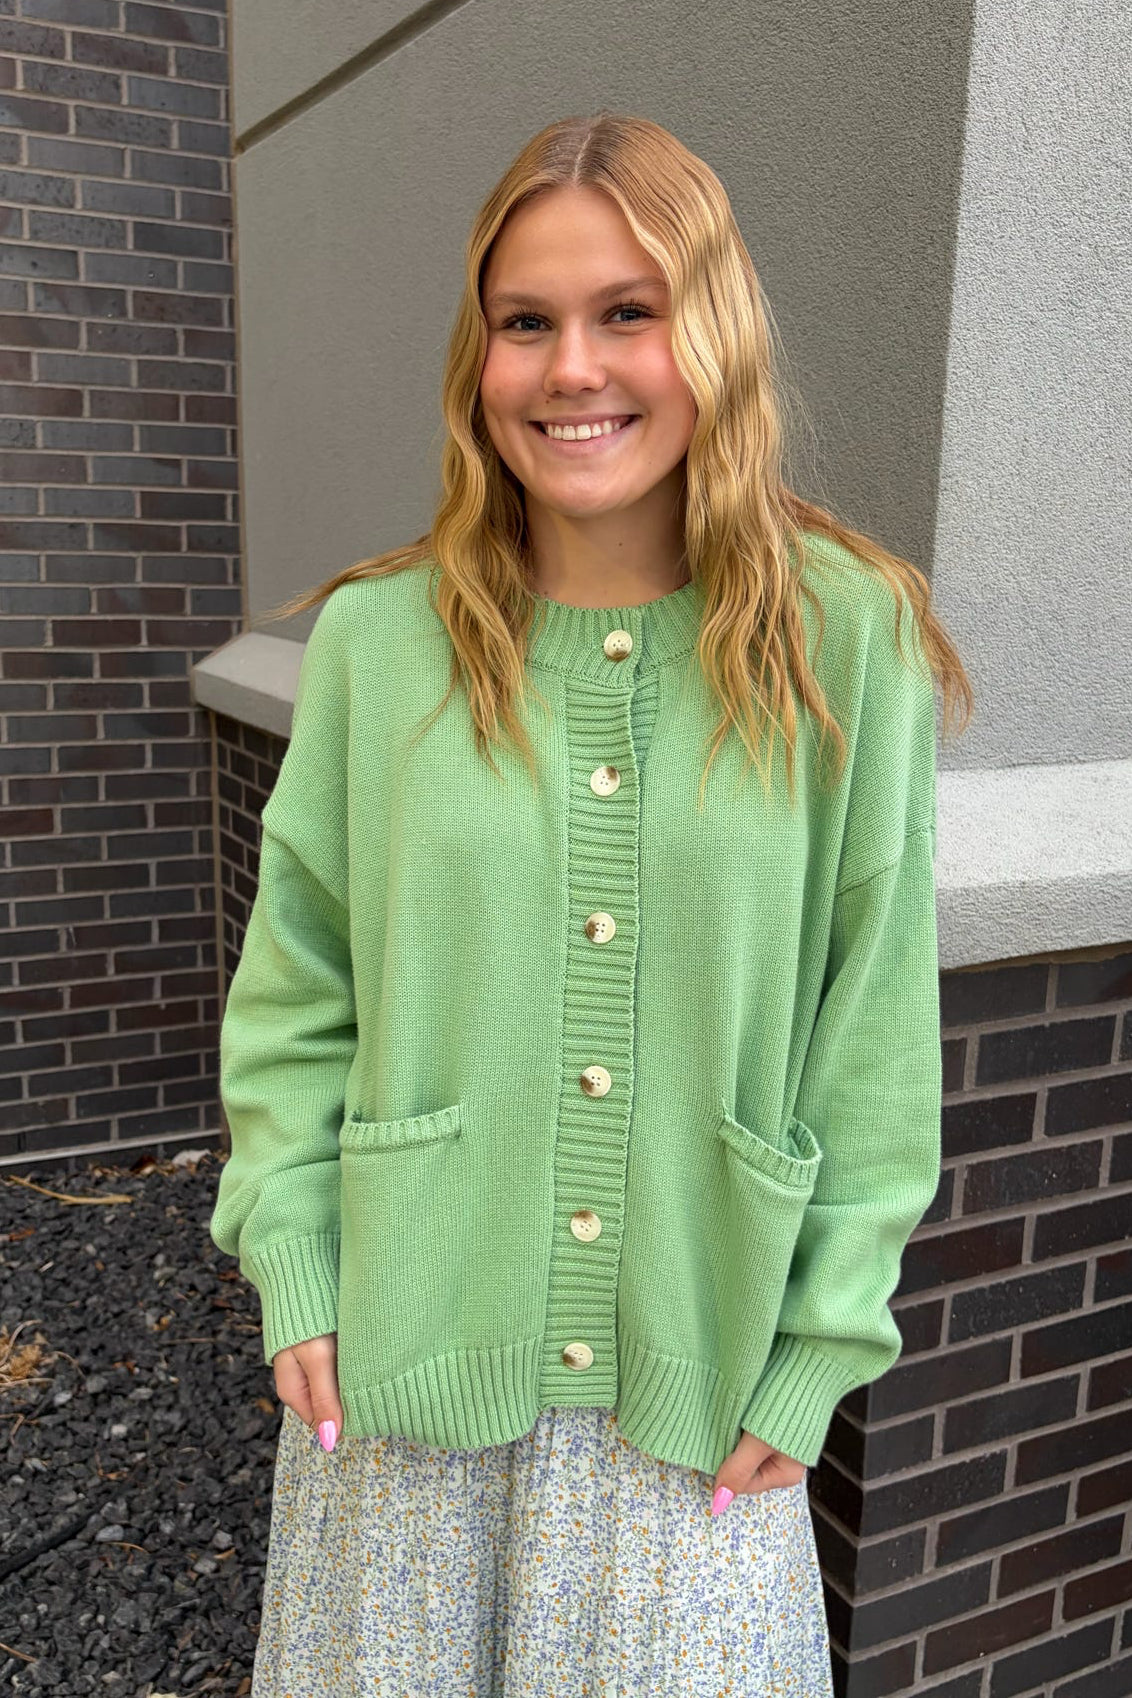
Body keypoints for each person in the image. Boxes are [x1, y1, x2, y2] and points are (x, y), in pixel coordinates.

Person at [210, 110, 973, 1695]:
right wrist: (295, 1261)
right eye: (526, 321)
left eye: (630, 312)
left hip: (692, 1390)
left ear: (716, 335)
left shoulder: (846, 641)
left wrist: (824, 1342)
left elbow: (873, 1023)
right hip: (403, 1365)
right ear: (476, 358)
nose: (574, 369)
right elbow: (297, 992)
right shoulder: (379, 643)